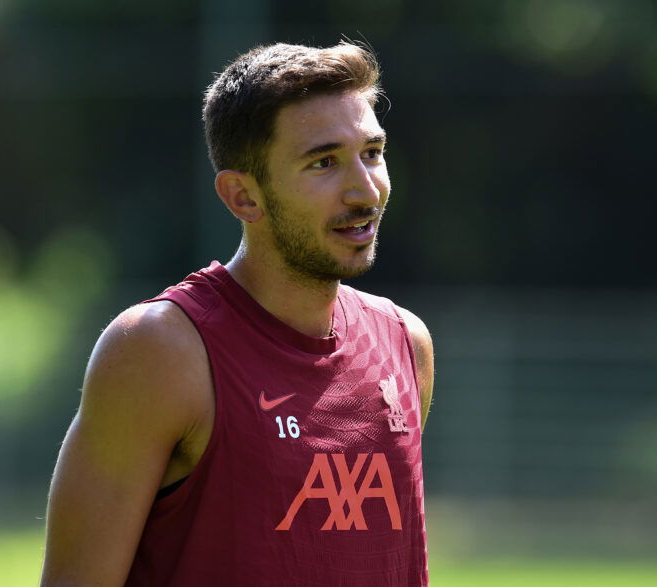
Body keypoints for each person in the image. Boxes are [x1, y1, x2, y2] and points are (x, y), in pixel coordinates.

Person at [41, 41, 434, 586]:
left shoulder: (404, 343)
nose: (365, 190)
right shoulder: (160, 351)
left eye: (372, 152)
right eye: (324, 162)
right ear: (243, 197)